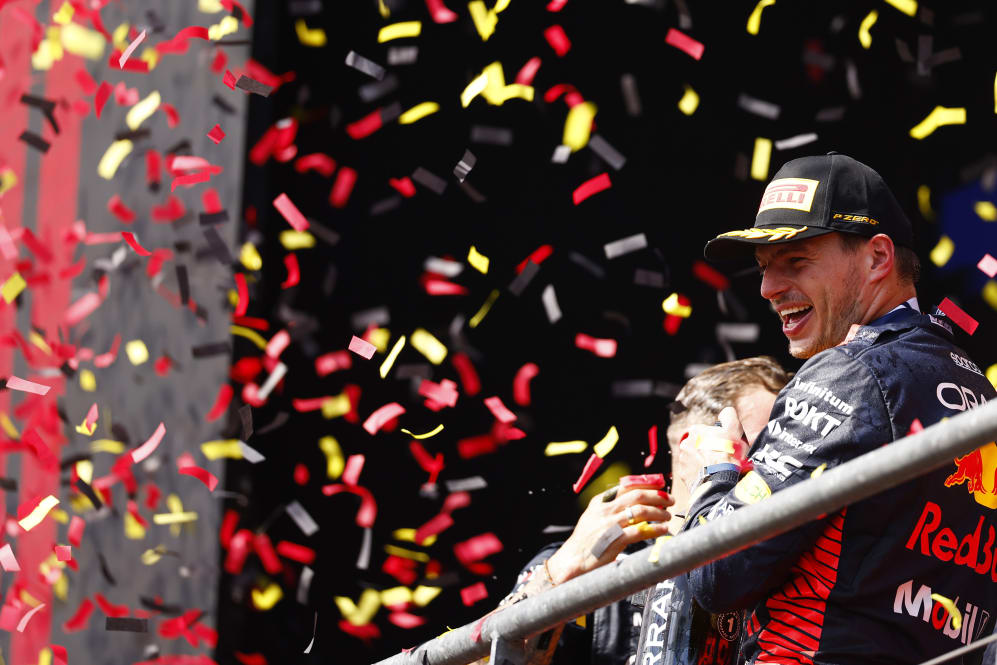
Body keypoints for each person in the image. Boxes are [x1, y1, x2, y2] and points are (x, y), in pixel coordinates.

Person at [676, 152, 997, 664]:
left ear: (877, 258)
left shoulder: (852, 371)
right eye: (763, 268)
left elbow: (716, 572)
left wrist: (714, 471)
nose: (767, 288)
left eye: (796, 261)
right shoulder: (978, 388)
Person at [484, 357, 790, 665]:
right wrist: (562, 572)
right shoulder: (601, 559)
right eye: (765, 442)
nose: (784, 462)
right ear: (696, 444)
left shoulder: (786, 558)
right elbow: (482, 659)